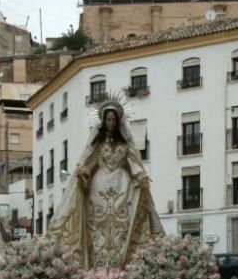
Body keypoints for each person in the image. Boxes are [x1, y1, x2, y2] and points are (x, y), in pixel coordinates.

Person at [48, 96, 164, 269]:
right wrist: (82, 171)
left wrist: (141, 176)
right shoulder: (97, 143)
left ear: (118, 122)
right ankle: (98, 264)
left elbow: (133, 161)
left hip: (122, 184)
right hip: (100, 184)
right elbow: (90, 161)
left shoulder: (125, 143)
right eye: (108, 119)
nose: (110, 122)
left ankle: (121, 262)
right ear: (103, 121)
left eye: (113, 120)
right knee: (98, 224)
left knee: (122, 224)